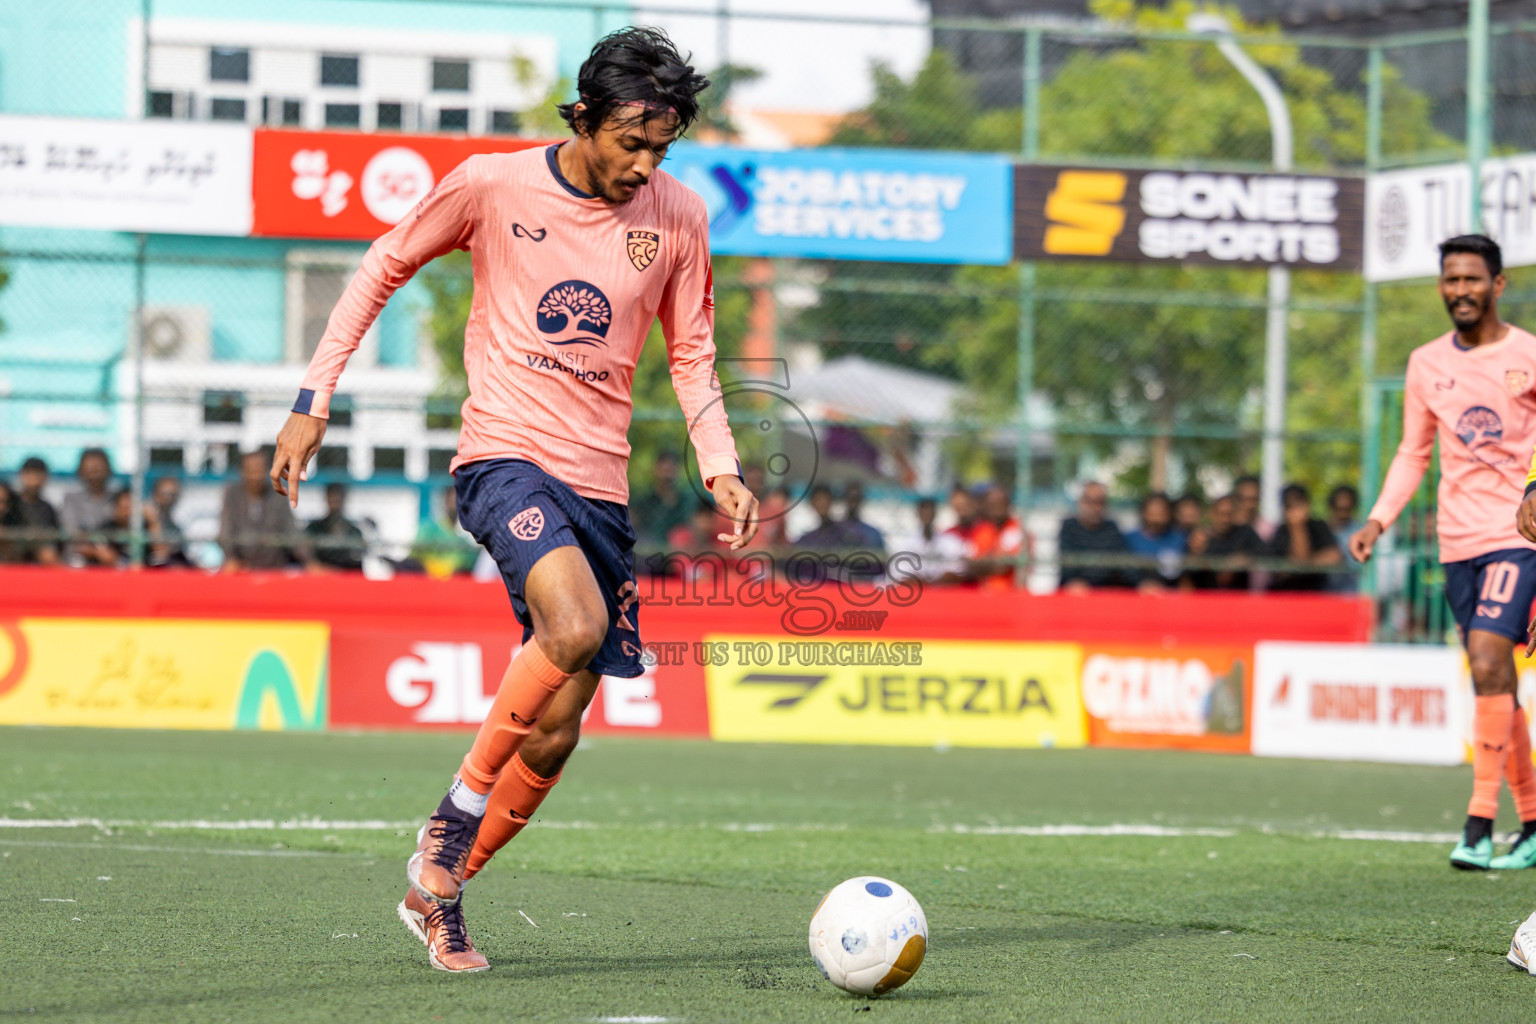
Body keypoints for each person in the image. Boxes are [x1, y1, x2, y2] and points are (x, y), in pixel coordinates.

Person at [268, 27, 755, 974]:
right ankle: (449, 824)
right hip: (504, 458)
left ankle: (439, 892)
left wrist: (720, 464)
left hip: (600, 487)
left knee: (561, 727)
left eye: (661, 150)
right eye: (631, 142)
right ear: (584, 117)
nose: (644, 165)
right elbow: (381, 264)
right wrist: (312, 398)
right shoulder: (492, 186)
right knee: (573, 626)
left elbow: (692, 353)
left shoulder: (680, 217)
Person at [1356, 234, 1536, 871]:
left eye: (1472, 279)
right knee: (1493, 679)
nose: (1461, 290)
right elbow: (1413, 452)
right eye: (1451, 280)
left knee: (1488, 659)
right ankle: (1533, 823)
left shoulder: (1529, 354)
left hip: (1518, 535)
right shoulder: (1426, 362)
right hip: (1456, 542)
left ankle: (1478, 823)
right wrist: (1379, 518)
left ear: (1498, 284)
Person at [221, 449, 309, 571]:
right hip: (242, 567)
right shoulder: (232, 494)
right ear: (243, 472)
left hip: (274, 566)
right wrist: (231, 558)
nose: (256, 476)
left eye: (260, 470)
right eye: (251, 471)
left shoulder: (277, 494)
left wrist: (309, 561)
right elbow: (226, 529)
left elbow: (291, 530)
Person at [1262, 483, 1341, 591]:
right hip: (1287, 592)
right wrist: (1297, 527)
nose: (1296, 510)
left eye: (1298, 504)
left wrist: (1307, 563)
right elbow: (1298, 560)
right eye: (1290, 506)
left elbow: (1334, 557)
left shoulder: (1319, 526)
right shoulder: (1281, 531)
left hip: (1315, 591)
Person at [1058, 481, 1128, 591]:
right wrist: (1075, 581)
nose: (1095, 508)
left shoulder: (1112, 528)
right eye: (1090, 502)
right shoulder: (1069, 527)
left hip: (1106, 591)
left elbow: (1118, 562)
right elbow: (1067, 562)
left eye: (1100, 502)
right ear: (1080, 502)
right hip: (1075, 590)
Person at [1187, 494, 1263, 590]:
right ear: (1212, 514)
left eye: (1229, 514)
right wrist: (1195, 554)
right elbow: (1187, 573)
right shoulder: (1201, 537)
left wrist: (1244, 558)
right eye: (1221, 514)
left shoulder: (1245, 532)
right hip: (1208, 594)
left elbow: (1267, 553)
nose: (1225, 519)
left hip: (1237, 595)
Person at [410, 485, 480, 578]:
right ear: (446, 501)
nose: (456, 504)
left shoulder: (465, 538)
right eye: (452, 499)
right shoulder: (429, 529)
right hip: (427, 579)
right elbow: (415, 557)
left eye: (459, 499)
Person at [892, 497, 966, 583]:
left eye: (930, 512)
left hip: (942, 587)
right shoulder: (905, 542)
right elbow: (898, 571)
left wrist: (940, 578)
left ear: (935, 513)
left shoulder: (950, 541)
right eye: (924, 512)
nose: (927, 515)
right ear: (918, 513)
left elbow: (959, 568)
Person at [968, 484, 1028, 590]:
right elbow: (972, 566)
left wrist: (987, 561)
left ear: (1008, 504)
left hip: (1012, 593)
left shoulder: (1017, 529)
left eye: (1000, 503)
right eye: (992, 504)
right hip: (984, 593)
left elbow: (1004, 566)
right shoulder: (981, 531)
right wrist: (994, 560)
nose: (996, 507)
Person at [60, 448, 115, 564]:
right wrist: (95, 551)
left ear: (108, 469)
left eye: (98, 467)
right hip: (77, 559)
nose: (95, 471)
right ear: (81, 471)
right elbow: (72, 533)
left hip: (112, 558)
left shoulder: (118, 499)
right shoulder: (71, 499)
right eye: (90, 468)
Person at [629, 450, 691, 547]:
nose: (667, 476)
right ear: (656, 470)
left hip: (679, 550)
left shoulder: (686, 502)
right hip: (650, 550)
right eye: (665, 470)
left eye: (671, 470)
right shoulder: (644, 502)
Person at [1124, 491, 1186, 589]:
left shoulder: (1180, 539)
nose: (1157, 518)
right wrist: (1141, 583)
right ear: (1144, 513)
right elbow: (1125, 571)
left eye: (1161, 513)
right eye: (1153, 513)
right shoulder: (1129, 539)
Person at [306, 482, 366, 570]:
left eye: (338, 499)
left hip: (347, 574)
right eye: (332, 499)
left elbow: (357, 559)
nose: (335, 503)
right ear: (326, 499)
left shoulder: (354, 532)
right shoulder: (314, 528)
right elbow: (308, 559)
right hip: (321, 574)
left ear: (343, 500)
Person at [12, 457, 61, 565]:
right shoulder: (11, 504)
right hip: (14, 557)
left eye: (38, 475)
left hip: (41, 561)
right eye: (30, 474)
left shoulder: (47, 508)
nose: (34, 480)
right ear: (22, 475)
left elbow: (55, 537)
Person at [1326, 483, 1363, 593]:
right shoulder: (1322, 529)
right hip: (1324, 590)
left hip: (1350, 590)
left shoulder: (1359, 531)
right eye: (1340, 508)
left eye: (1347, 508)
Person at [146, 476, 189, 568]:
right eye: (166, 494)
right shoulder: (146, 517)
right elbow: (159, 552)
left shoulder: (177, 520)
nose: (169, 499)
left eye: (173, 495)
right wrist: (153, 522)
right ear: (156, 494)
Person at [839, 481, 885, 553]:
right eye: (850, 498)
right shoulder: (834, 532)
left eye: (856, 498)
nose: (853, 503)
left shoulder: (873, 534)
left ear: (861, 500)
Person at [1231, 474, 1272, 540]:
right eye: (1245, 499)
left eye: (1254, 499)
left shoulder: (1267, 530)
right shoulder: (1225, 526)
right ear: (1235, 498)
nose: (1249, 505)